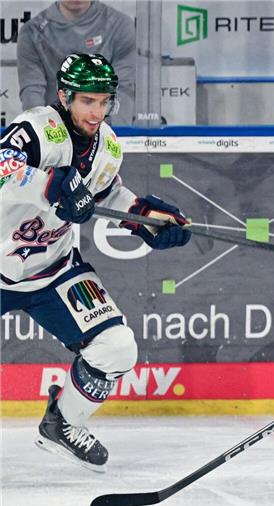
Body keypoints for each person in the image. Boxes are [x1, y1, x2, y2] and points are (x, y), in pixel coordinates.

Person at [0, 53, 192, 472]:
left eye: (104, 101)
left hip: (53, 268)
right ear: (64, 96)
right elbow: (3, 170)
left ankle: (63, 422)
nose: (96, 112)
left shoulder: (107, 145)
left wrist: (144, 216)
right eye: (87, 100)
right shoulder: (35, 129)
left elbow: (105, 195)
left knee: (117, 347)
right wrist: (50, 184)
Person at [16, 1, 136, 126]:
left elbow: (123, 89)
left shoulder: (120, 26)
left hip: (104, 132)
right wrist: (45, 134)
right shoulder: (32, 32)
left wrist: (109, 137)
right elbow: (32, 93)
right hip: (54, 133)